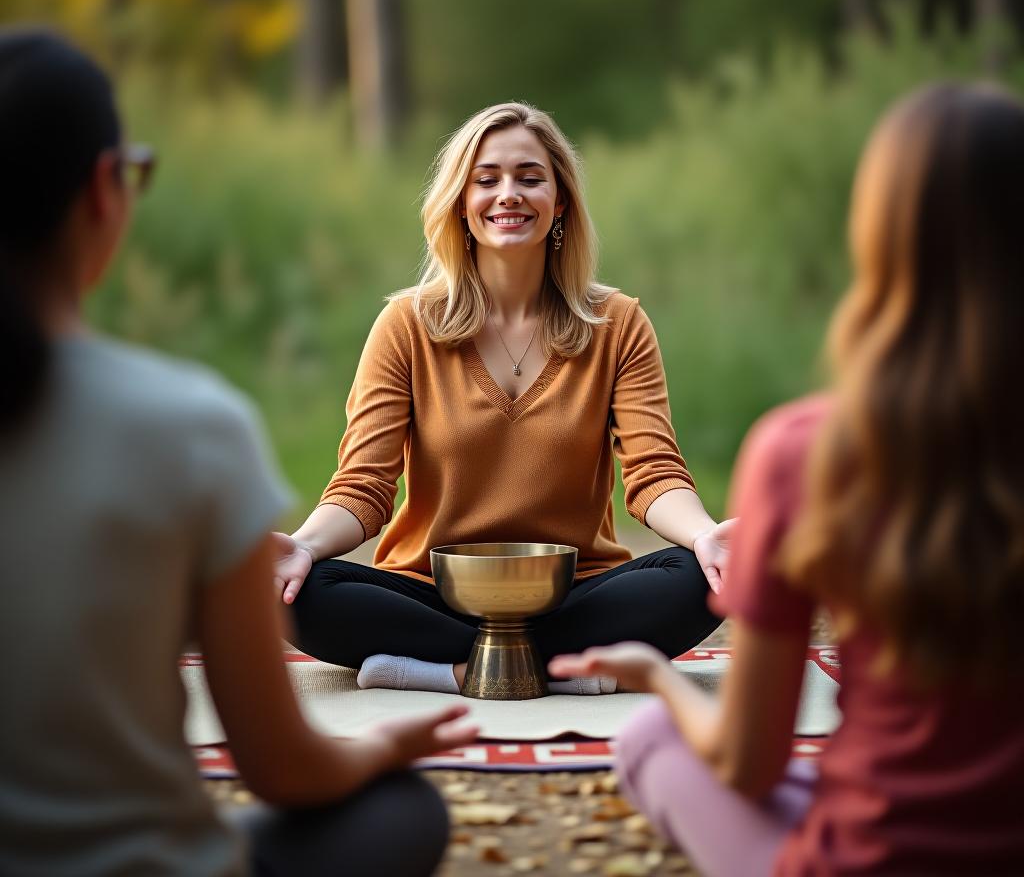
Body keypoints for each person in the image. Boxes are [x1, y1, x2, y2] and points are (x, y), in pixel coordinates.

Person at [0, 30, 477, 877]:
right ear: (105, 193)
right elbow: (283, 768)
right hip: (152, 863)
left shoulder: (611, 322)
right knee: (403, 813)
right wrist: (379, 749)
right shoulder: (189, 425)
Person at [549, 83, 1024, 875]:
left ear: (877, 237)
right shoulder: (412, 325)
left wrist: (660, 682)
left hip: (867, 859)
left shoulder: (807, 452)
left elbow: (745, 765)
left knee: (647, 740)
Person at [272, 101, 732, 696]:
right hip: (432, 595)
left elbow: (653, 473)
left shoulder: (617, 323)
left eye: (529, 178)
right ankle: (554, 669)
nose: (508, 194)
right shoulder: (405, 324)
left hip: (574, 592)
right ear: (461, 204)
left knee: (699, 577)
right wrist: (303, 548)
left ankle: (444, 673)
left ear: (560, 200)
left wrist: (704, 536)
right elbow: (364, 485)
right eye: (486, 180)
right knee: (302, 592)